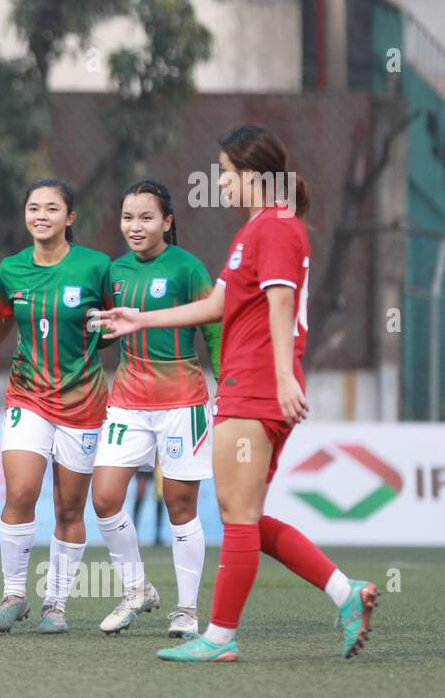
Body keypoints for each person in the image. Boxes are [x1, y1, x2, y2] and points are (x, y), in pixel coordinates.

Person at [92, 125, 379, 661]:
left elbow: (280, 306)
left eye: (226, 174)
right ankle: (346, 594)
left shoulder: (273, 228)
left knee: (239, 517)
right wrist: (140, 320)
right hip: (254, 385)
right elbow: (219, 305)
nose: (221, 184)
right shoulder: (258, 229)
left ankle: (219, 637)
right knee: (247, 516)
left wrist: (284, 377)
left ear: (251, 174)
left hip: (256, 388)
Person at [0, 178, 111, 634]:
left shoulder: (97, 266)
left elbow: (116, 323)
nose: (40, 216)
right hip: (27, 396)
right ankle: (13, 594)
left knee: (70, 508)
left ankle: (56, 603)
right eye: (33, 208)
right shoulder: (11, 268)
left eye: (51, 208)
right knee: (21, 492)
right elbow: (2, 323)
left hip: (83, 401)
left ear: (70, 218)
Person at [90, 180, 220, 638]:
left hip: (183, 402)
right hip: (127, 400)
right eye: (128, 217)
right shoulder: (114, 271)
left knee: (180, 506)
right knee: (105, 499)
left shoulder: (187, 269)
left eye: (146, 217)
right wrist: (97, 331)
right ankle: (137, 589)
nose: (135, 226)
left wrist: (226, 385)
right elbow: (107, 329)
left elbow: (214, 327)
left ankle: (186, 610)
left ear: (168, 222)